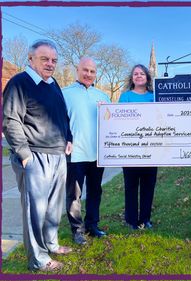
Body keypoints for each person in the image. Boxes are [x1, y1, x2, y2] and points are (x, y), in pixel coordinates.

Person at [2, 39, 73, 271]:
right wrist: (23, 154)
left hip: (58, 155)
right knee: (36, 210)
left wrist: (68, 138)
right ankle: (39, 260)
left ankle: (51, 244)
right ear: (30, 59)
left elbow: (62, 116)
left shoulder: (53, 84)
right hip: (34, 156)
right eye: (45, 59)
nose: (50, 64)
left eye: (54, 60)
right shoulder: (19, 83)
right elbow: (11, 121)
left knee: (53, 206)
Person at [62, 57, 111, 245]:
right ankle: (77, 230)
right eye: (85, 70)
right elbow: (60, 122)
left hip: (98, 154)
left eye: (92, 71)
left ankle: (92, 225)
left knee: (95, 191)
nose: (88, 74)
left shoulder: (103, 96)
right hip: (75, 155)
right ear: (77, 70)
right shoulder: (64, 93)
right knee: (74, 195)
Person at [118, 64, 157, 230]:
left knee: (148, 187)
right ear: (132, 78)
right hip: (130, 150)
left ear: (147, 77)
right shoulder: (125, 97)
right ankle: (132, 221)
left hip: (151, 149)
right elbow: (117, 120)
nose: (139, 76)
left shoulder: (154, 97)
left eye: (142, 73)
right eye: (135, 74)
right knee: (131, 187)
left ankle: (145, 219)